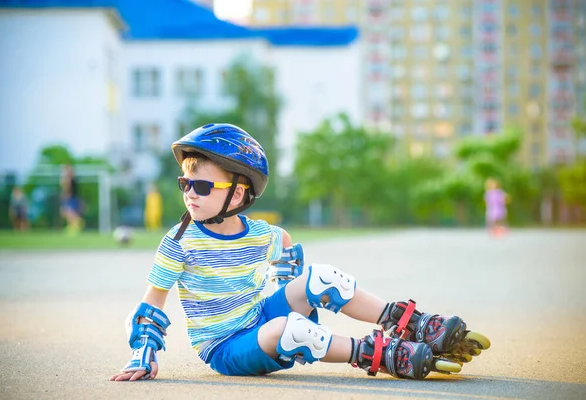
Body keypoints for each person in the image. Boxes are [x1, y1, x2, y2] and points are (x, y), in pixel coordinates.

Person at [110, 123, 490, 382]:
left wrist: (287, 288)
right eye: (185, 183)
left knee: (324, 278)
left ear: (237, 193)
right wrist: (143, 356)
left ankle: (410, 322)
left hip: (259, 317)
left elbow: (287, 249)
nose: (190, 193)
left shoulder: (261, 234)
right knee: (291, 330)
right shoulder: (179, 241)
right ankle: (384, 355)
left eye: (202, 186)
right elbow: (151, 306)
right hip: (225, 348)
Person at [60, 164, 84, 234]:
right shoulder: (72, 179)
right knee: (67, 212)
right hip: (73, 198)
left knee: (69, 212)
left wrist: (65, 195)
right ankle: (74, 225)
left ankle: (76, 225)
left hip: (71, 198)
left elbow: (67, 188)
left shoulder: (69, 179)